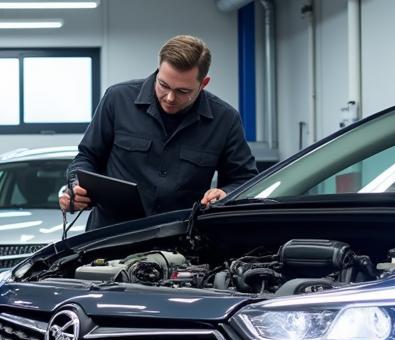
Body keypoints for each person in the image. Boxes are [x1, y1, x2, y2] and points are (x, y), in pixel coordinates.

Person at [60, 34, 258, 230]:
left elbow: (244, 180)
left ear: (203, 83)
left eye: (182, 91)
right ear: (158, 71)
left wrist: (225, 193)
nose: (170, 98)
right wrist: (76, 187)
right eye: (163, 85)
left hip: (180, 241)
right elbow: (87, 157)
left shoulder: (225, 119)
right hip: (110, 236)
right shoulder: (117, 99)